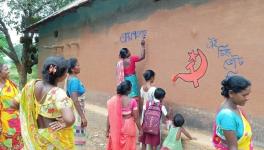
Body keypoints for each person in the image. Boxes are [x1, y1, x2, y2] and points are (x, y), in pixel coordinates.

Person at [15, 56, 76, 149]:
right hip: (53, 140)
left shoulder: (31, 85)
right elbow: (70, 119)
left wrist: (29, 110)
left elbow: (14, 104)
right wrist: (63, 124)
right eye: (66, 72)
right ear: (60, 76)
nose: (67, 74)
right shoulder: (57, 93)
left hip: (37, 136)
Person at [212, 75, 253, 150]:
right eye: (244, 95)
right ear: (231, 93)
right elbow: (233, 147)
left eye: (248, 94)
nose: (247, 98)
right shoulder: (227, 116)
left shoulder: (234, 108)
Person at [106, 80, 141, 150]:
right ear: (128, 90)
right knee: (128, 145)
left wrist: (107, 130)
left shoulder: (113, 100)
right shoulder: (132, 101)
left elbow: (109, 116)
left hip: (116, 126)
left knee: (116, 144)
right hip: (128, 126)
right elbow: (136, 117)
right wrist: (140, 129)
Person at [116, 37, 146, 109]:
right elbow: (142, 56)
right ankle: (136, 113)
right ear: (126, 53)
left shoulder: (120, 63)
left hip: (125, 79)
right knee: (135, 98)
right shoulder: (131, 59)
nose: (130, 51)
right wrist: (142, 46)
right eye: (128, 51)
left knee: (127, 96)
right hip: (132, 79)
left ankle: (128, 111)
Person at [0, 64, 23, 149]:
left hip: (16, 118)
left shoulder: (12, 85)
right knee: (5, 142)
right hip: (4, 121)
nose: (8, 71)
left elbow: (20, 99)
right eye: (6, 69)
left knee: (17, 141)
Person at [66, 58, 88, 146]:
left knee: (74, 136)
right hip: (77, 112)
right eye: (77, 65)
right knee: (78, 138)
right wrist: (82, 116)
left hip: (74, 110)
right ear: (72, 69)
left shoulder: (69, 78)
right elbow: (75, 99)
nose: (79, 67)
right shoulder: (74, 80)